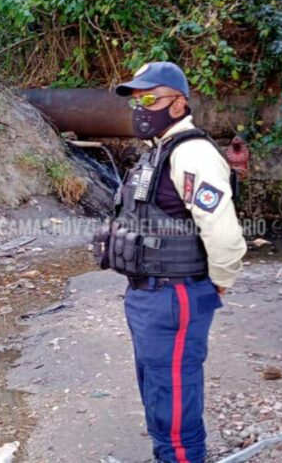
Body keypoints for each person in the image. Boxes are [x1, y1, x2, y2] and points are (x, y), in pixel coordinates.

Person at [92, 61, 247, 462]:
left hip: (174, 295)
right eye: (136, 100)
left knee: (174, 395)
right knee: (158, 386)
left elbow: (225, 235)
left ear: (179, 104)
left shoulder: (192, 154)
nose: (140, 108)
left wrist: (217, 285)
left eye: (150, 98)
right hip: (149, 296)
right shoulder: (156, 153)